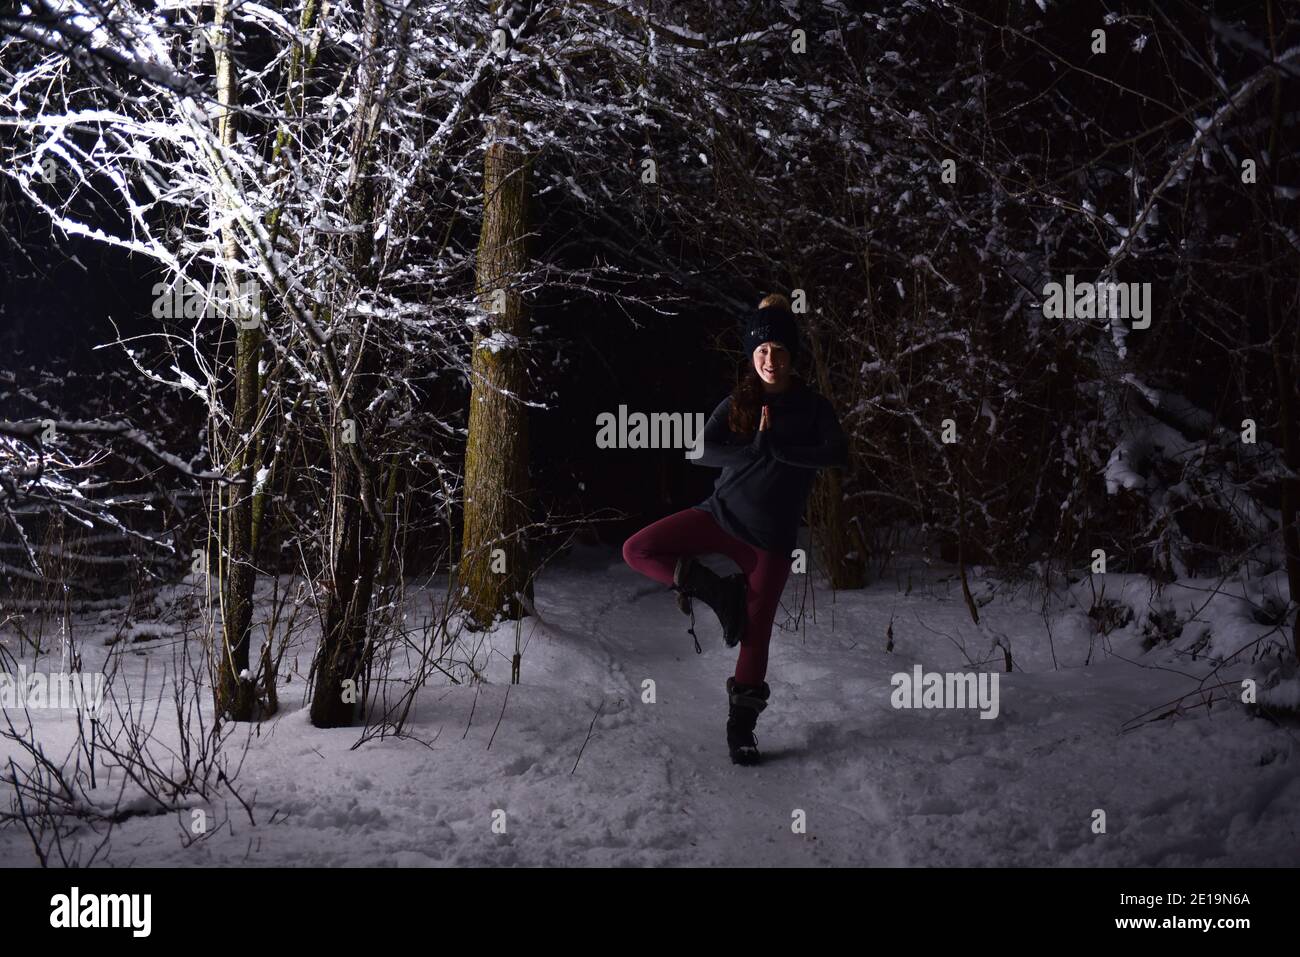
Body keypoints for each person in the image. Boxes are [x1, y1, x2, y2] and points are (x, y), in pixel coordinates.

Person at [621, 293, 849, 765]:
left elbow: (836, 454)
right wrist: (751, 450)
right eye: (762, 351)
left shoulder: (811, 407)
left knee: (755, 635)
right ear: (752, 356)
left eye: (779, 351)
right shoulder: (739, 401)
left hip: (769, 540)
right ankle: (717, 593)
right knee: (638, 549)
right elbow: (699, 451)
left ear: (793, 357)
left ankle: (741, 731)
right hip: (718, 516)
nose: (770, 359)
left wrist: (781, 450)